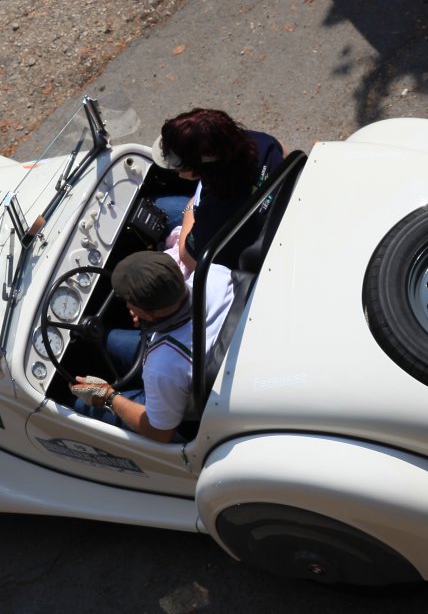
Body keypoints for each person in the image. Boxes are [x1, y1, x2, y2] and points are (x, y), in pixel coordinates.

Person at [74, 251, 234, 442]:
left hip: (180, 401)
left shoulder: (161, 366)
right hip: (216, 355)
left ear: (147, 313)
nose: (127, 305)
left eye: (129, 301)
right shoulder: (215, 274)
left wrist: (108, 396)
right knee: (109, 340)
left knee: (81, 405)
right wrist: (146, 313)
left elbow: (160, 432)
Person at [151, 108, 284, 273]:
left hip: (245, 246)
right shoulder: (261, 142)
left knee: (158, 204)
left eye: (176, 165)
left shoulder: (213, 212)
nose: (177, 171)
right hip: (276, 215)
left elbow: (189, 259)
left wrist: (190, 208)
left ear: (199, 170)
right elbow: (284, 152)